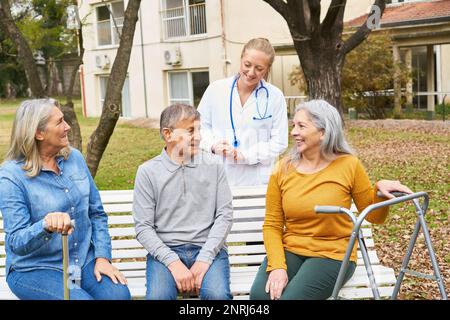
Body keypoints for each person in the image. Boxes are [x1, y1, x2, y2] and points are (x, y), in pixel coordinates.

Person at [249, 100, 413, 300]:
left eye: (301, 126)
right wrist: (277, 267)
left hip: (333, 254)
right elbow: (272, 224)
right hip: (291, 249)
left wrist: (378, 191)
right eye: (294, 125)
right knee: (259, 297)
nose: (293, 132)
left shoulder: (349, 165)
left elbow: (374, 216)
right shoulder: (282, 168)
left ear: (323, 132)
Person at [0, 99, 131, 300]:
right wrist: (44, 226)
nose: (67, 126)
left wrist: (102, 258)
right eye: (60, 122)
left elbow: (96, 214)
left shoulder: (75, 159)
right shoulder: (12, 176)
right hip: (36, 269)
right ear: (39, 133)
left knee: (118, 296)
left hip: (80, 261)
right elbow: (16, 241)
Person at [132, 104, 233, 300]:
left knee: (217, 296)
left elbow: (224, 215)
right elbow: (143, 227)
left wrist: (205, 258)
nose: (199, 136)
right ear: (168, 134)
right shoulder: (148, 172)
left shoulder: (213, 165)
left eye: (199, 129)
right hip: (166, 252)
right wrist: (173, 262)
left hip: (208, 250)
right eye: (190, 131)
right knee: (158, 297)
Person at [198, 38, 289, 186]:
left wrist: (246, 156)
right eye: (247, 65)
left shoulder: (275, 96)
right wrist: (213, 145)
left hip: (257, 180)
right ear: (241, 59)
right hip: (218, 177)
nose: (251, 72)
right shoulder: (216, 90)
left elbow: (279, 141)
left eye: (259, 68)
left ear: (268, 69)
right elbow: (199, 127)